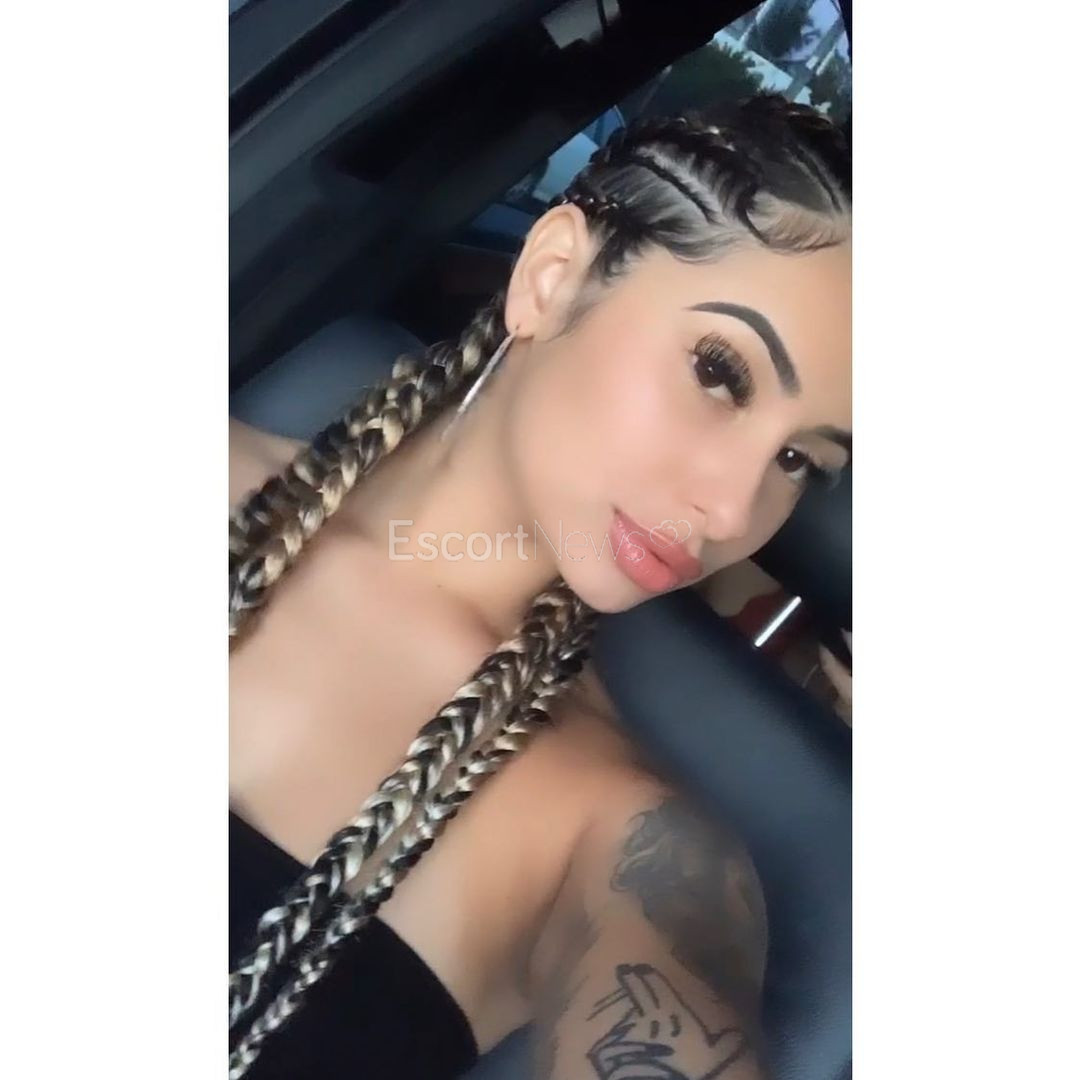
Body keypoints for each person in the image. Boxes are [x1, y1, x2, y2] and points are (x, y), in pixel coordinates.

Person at [228, 93, 852, 1080]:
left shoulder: (622, 841)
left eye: (800, 464)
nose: (734, 510)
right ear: (554, 276)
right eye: (719, 371)